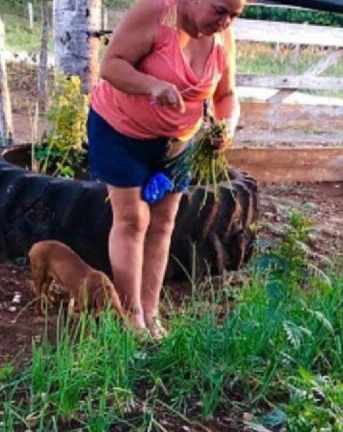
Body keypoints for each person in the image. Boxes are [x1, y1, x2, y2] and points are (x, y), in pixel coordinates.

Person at [87, 0, 244, 336]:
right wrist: (152, 86)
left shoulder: (223, 38)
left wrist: (226, 125)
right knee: (133, 219)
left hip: (175, 143)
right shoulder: (155, 13)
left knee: (163, 222)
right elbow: (110, 65)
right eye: (220, 10)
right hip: (120, 129)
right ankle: (131, 318)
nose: (226, 21)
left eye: (235, 15)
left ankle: (151, 312)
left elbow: (226, 94)